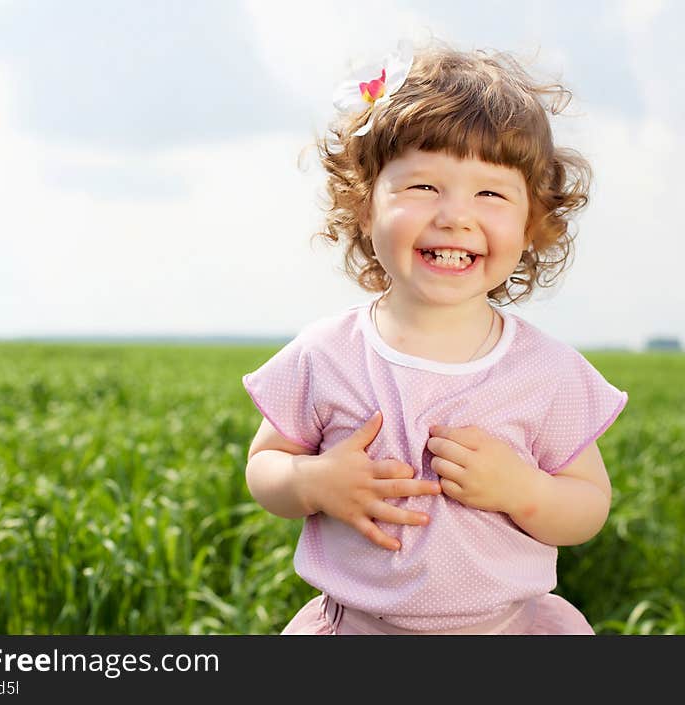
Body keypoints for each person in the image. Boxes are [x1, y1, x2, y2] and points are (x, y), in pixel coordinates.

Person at [241, 38, 629, 635]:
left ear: (531, 224)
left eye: (491, 193)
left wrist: (523, 490)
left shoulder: (547, 371)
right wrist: (312, 481)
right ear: (365, 207)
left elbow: (588, 505)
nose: (455, 216)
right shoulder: (326, 354)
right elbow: (265, 464)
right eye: (423, 187)